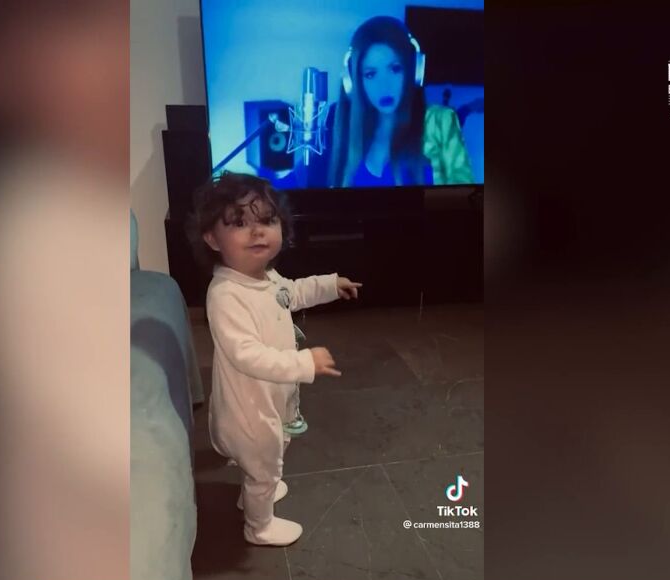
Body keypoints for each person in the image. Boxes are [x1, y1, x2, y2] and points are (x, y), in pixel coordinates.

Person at [188, 172, 362, 546]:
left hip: (271, 398)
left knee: (272, 452)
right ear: (212, 239)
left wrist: (329, 285)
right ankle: (259, 526)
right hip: (250, 410)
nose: (257, 232)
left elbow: (292, 293)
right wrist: (304, 363)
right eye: (239, 223)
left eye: (267, 220)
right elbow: (246, 354)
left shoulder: (266, 277)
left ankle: (254, 490)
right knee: (265, 467)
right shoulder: (226, 295)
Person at [330, 16, 473, 188]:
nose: (384, 85)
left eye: (395, 69)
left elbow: (464, 199)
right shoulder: (349, 132)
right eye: (370, 74)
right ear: (354, 82)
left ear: (414, 71)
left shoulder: (440, 122)